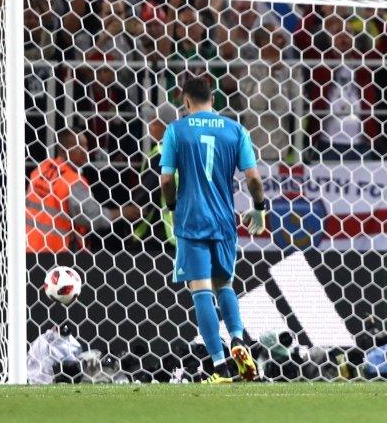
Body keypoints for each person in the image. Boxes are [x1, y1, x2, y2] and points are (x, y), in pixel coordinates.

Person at [159, 77, 266, 384]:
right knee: (225, 284)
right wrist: (259, 207)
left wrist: (171, 206)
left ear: (185, 100)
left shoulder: (176, 131)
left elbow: (166, 181)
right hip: (224, 220)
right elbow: (254, 178)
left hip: (191, 220)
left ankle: (220, 366)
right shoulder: (236, 130)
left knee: (201, 291)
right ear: (213, 100)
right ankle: (237, 340)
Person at [26, 130, 139, 253]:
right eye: (79, 146)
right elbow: (93, 217)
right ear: (64, 149)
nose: (85, 150)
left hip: (31, 246)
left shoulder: (41, 170)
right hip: (58, 252)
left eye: (86, 145)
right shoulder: (72, 182)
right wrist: (124, 212)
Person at [132, 103, 179, 251]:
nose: (150, 127)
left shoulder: (161, 152)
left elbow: (149, 189)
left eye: (154, 122)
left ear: (164, 126)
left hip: (161, 232)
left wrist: (132, 207)